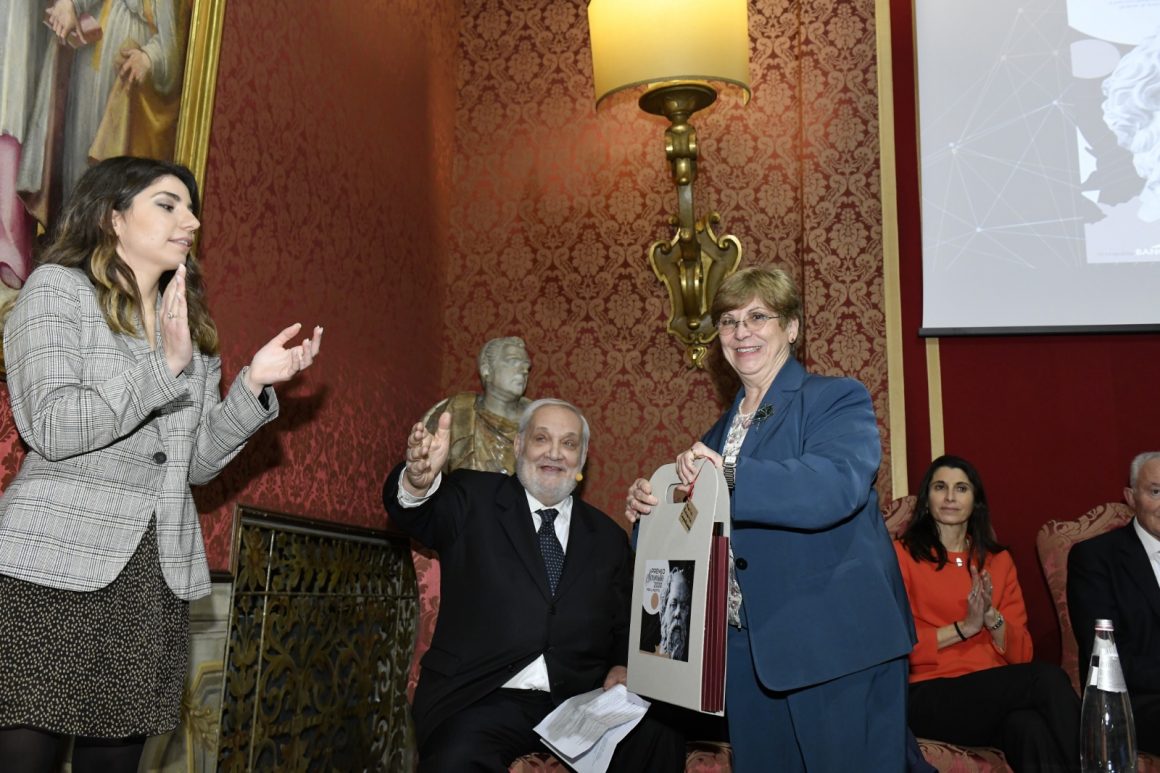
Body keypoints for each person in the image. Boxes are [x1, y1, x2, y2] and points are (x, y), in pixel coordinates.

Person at [0, 155, 323, 773]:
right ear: (112, 217)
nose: (191, 222)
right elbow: (51, 425)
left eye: (192, 210)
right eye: (169, 205)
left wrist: (253, 385)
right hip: (51, 566)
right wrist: (162, 367)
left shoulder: (190, 328)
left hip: (154, 576)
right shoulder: (56, 291)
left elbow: (196, 464)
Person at [626, 265, 916, 772]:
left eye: (758, 317)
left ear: (793, 327)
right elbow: (692, 538)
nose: (742, 331)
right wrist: (648, 515)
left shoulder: (835, 398)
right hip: (747, 657)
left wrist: (727, 476)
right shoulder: (717, 434)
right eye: (729, 321)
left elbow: (833, 486)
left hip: (835, 649)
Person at [383, 398, 685, 771]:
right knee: (455, 759)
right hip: (480, 698)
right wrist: (417, 482)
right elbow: (417, 512)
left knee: (660, 733)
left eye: (569, 443)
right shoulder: (472, 496)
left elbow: (625, 622)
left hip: (578, 703)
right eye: (541, 438)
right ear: (518, 445)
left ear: (582, 458)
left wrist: (622, 664)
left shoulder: (607, 537)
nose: (554, 453)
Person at [896, 455, 1080, 772]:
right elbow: (897, 646)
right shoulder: (901, 555)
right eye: (940, 487)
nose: (950, 497)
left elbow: (1022, 655)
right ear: (926, 499)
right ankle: (1103, 765)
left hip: (991, 698)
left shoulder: (998, 561)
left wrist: (991, 618)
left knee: (1029, 728)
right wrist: (965, 627)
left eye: (961, 488)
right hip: (928, 694)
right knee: (1047, 679)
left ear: (976, 502)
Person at [1068, 451, 1160, 755]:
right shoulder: (1095, 558)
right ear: (1131, 497)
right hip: (1131, 702)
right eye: (1156, 492)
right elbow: (1106, 655)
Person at [421, 335, 531, 475]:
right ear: (486, 369)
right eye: (513, 361)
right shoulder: (455, 412)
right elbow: (423, 469)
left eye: (526, 366)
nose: (524, 371)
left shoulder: (538, 419)